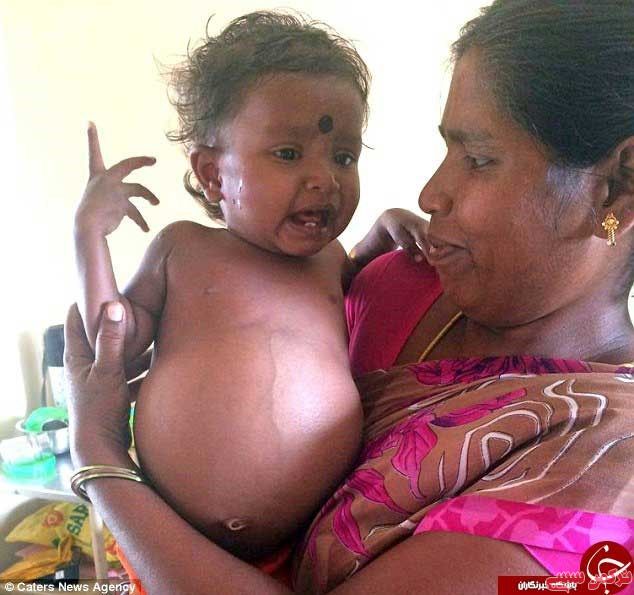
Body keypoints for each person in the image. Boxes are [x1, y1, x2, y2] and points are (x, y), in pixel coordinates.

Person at [65, 0, 634, 592]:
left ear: (619, 185)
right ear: (212, 172)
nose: (430, 194)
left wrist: (99, 457)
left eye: (479, 159)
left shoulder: (609, 460)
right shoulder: (398, 281)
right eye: (447, 150)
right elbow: (136, 339)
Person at [72, 12, 428, 564]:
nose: (324, 179)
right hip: (170, 541)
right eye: (288, 154)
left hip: (310, 545)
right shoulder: (183, 249)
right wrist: (89, 235)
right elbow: (111, 341)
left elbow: (362, 295)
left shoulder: (330, 261)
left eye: (344, 156)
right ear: (214, 174)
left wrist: (382, 234)